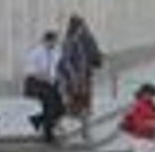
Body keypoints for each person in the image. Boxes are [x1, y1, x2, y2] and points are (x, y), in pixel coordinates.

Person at [59, 14, 103, 142]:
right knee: (73, 106)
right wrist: (73, 76)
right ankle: (58, 124)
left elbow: (91, 56)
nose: (83, 29)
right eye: (81, 26)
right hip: (74, 81)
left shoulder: (84, 40)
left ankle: (86, 132)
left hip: (84, 78)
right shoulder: (69, 41)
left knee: (85, 106)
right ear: (76, 27)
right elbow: (66, 61)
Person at [24, 30, 64, 144]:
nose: (54, 44)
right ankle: (49, 136)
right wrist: (42, 75)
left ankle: (37, 120)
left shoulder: (56, 53)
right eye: (52, 42)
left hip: (52, 83)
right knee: (50, 106)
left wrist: (58, 79)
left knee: (60, 108)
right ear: (46, 41)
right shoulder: (36, 53)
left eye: (55, 42)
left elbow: (57, 69)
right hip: (38, 83)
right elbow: (29, 70)